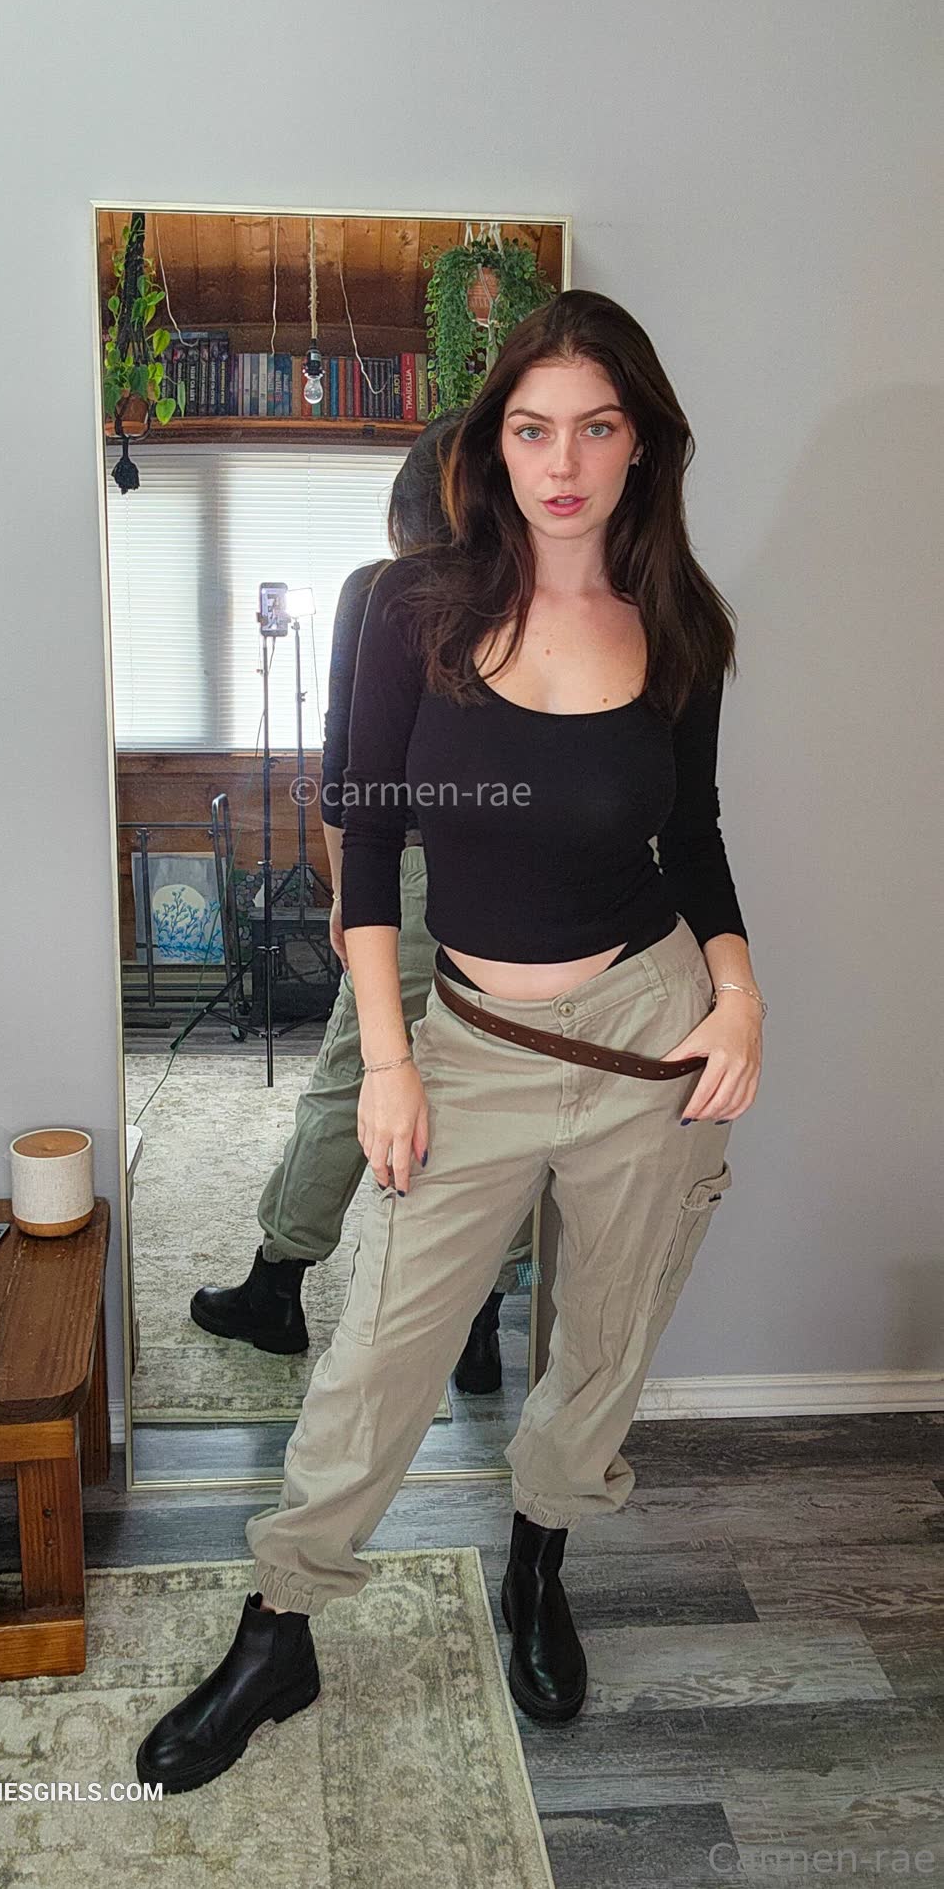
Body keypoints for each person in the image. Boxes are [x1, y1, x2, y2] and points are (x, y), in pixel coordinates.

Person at [137, 288, 766, 1793]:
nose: (564, 463)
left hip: (649, 1041)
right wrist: (390, 1060)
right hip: (472, 1042)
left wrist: (740, 994)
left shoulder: (684, 626)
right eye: (534, 429)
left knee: (599, 1347)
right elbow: (366, 840)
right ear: (494, 443)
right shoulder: (407, 609)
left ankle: (537, 1568)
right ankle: (280, 1627)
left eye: (597, 428)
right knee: (375, 1356)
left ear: (641, 443)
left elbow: (695, 840)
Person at [188, 411, 534, 1397]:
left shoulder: (380, 591)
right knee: (501, 1093)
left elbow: (347, 775)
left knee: (354, 1076)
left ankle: (277, 1285)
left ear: (408, 506)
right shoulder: (539, 595)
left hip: (414, 875)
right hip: (526, 882)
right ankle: (479, 1324)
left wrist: (350, 897)